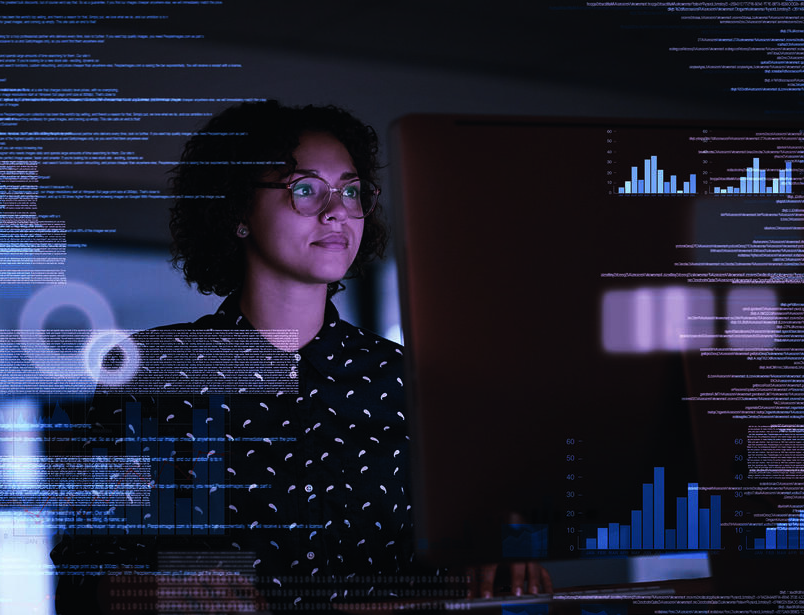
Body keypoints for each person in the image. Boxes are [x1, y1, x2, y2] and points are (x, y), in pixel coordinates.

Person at [51, 100, 549, 613]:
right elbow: (82, 575)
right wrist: (160, 593)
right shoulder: (151, 370)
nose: (337, 211)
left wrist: (504, 549)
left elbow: (488, 528)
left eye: (350, 191)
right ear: (238, 212)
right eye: (306, 189)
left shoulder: (413, 380)